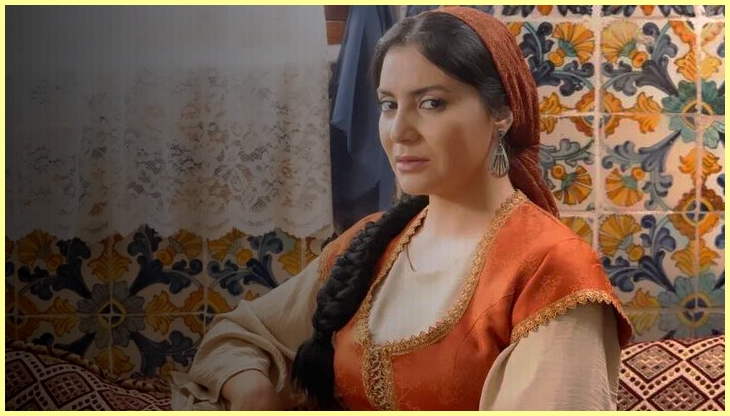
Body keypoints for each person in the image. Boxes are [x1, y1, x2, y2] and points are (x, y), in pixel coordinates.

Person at [170, 6, 633, 411]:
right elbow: (239, 336)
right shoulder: (376, 240)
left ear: (502, 114)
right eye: (389, 105)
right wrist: (254, 394)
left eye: (432, 103)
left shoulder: (552, 271)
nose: (399, 131)